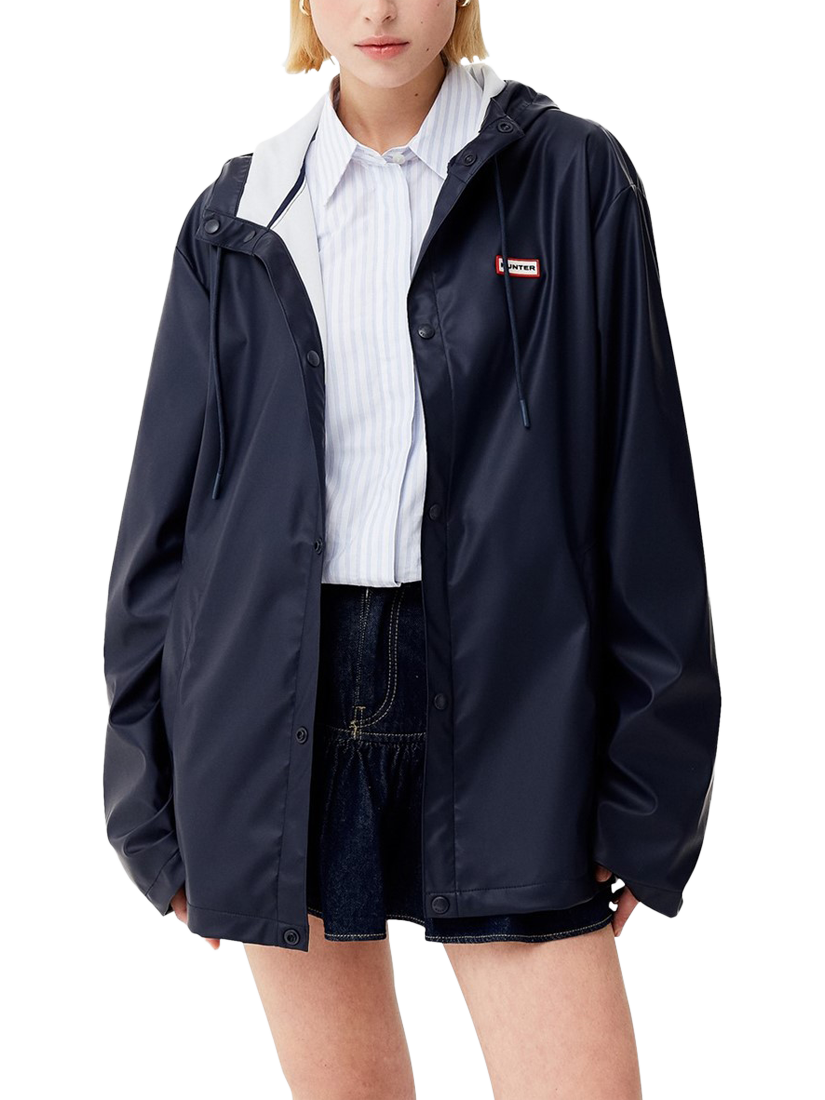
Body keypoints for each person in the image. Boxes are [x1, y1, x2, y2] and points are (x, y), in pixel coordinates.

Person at [103, 1, 721, 1097]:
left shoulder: (572, 177)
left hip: (514, 702)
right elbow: (162, 527)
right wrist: (148, 800)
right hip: (275, 708)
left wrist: (651, 790)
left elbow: (646, 496)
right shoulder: (237, 213)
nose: (379, 9)